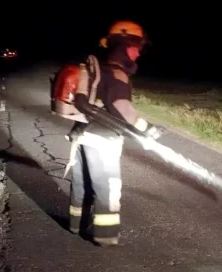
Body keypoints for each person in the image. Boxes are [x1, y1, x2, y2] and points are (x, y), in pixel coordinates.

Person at [66, 20, 164, 247]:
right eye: (136, 46)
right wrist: (148, 129)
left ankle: (75, 225)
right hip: (103, 141)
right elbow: (123, 109)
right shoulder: (118, 74)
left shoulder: (101, 68)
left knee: (82, 184)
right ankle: (105, 235)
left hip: (83, 135)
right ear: (124, 44)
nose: (139, 52)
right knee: (108, 187)